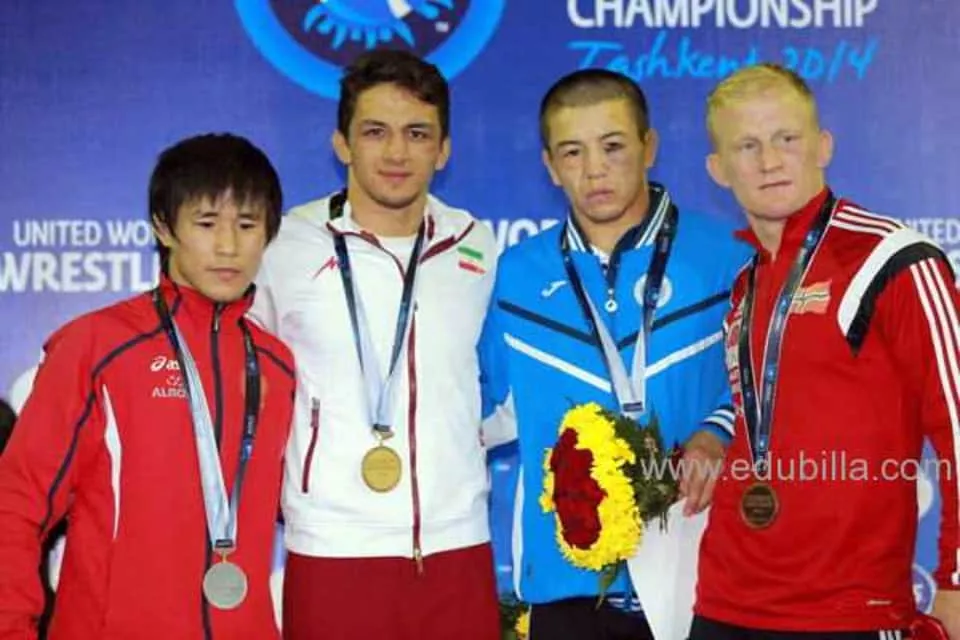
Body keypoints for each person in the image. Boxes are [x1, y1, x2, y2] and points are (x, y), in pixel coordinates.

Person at [691, 62, 960, 639]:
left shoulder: (895, 261)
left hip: (848, 610)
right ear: (718, 169)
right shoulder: (745, 286)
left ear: (824, 145)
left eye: (786, 138)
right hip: (724, 604)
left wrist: (958, 579)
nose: (769, 161)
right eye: (747, 146)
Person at [479, 68, 749, 640]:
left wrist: (718, 432)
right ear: (550, 166)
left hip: (703, 576)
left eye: (613, 146)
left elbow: (772, 388)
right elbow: (476, 409)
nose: (594, 169)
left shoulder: (729, 257)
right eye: (572, 152)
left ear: (649, 147)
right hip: (568, 585)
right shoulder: (515, 276)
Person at [0, 133, 296, 640]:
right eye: (206, 223)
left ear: (270, 233)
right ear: (163, 226)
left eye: (247, 225)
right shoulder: (98, 347)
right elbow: (17, 503)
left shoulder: (276, 364)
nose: (228, 246)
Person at [249, 50, 502, 639]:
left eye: (417, 134)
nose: (396, 153)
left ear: (444, 149)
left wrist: (460, 442)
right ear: (341, 143)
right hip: (332, 546)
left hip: (456, 545)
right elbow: (242, 383)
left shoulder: (476, 244)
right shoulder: (284, 246)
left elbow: (496, 379)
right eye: (375, 132)